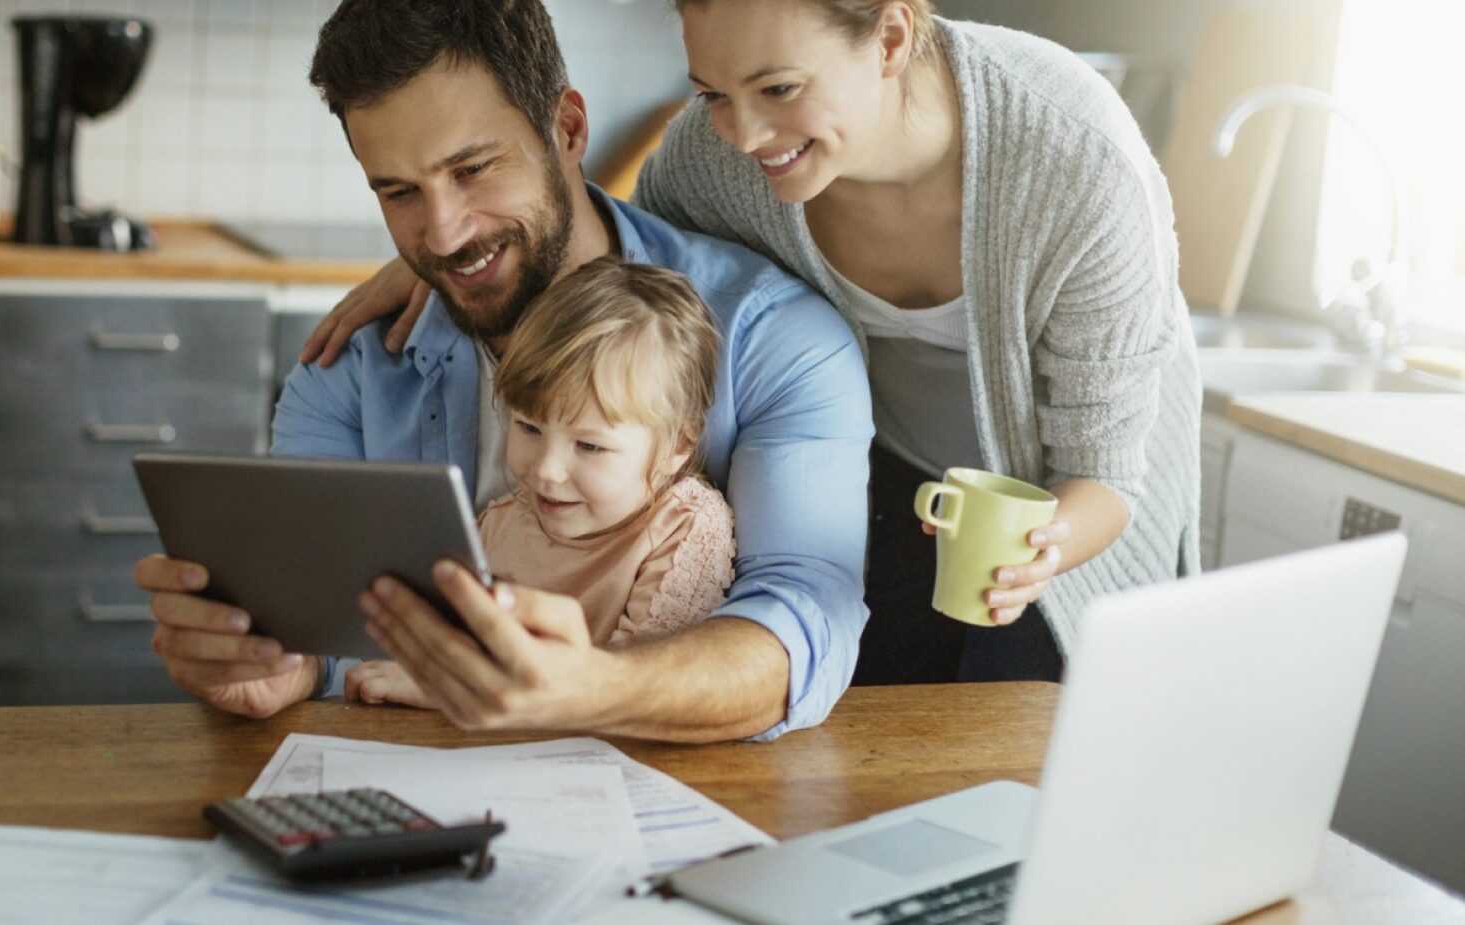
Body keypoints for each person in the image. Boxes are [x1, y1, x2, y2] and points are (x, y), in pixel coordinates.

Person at [301, 0, 1202, 685]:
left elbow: (1106, 472)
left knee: (1037, 735)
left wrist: (1035, 551)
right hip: (893, 477)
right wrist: (446, 262)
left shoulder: (1076, 160)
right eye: (712, 94)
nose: (745, 133)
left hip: (1065, 503)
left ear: (890, 39)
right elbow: (615, 268)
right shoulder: (715, 152)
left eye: (778, 89)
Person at [133, 0, 875, 742]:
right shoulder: (348, 373)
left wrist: (595, 688)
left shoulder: (777, 339)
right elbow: (324, 631)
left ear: (568, 129)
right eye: (398, 192)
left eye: (472, 169)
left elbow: (805, 625)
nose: (445, 232)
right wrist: (270, 661)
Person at [348, 257, 736, 708]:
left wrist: (451, 690)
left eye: (589, 446)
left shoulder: (685, 528)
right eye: (529, 428)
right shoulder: (499, 525)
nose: (547, 470)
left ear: (679, 446)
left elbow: (640, 693)